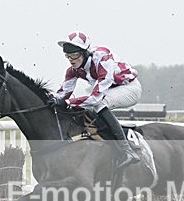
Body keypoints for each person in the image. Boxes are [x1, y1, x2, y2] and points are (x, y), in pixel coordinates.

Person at [49, 31, 142, 168]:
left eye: (75, 55)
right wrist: (50, 100)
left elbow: (95, 98)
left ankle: (128, 150)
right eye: (68, 56)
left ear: (85, 52)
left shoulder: (102, 58)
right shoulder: (73, 70)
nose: (71, 59)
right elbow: (63, 94)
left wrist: (69, 102)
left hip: (130, 88)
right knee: (85, 108)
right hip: (111, 90)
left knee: (98, 104)